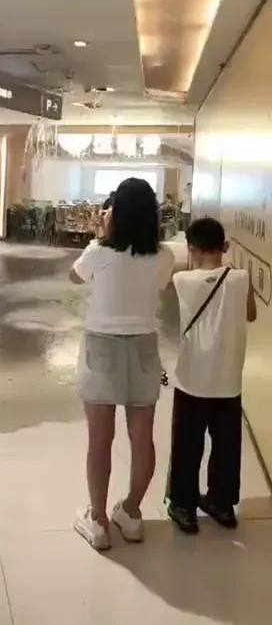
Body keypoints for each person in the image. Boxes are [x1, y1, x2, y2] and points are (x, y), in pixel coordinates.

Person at [70, 178, 175, 550]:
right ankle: (130, 513)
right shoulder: (164, 255)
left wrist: (102, 234)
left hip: (103, 346)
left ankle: (98, 520)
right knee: (142, 438)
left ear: (115, 211)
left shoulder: (99, 250)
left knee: (100, 439)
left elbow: (74, 276)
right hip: (144, 346)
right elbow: (159, 287)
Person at [167, 217, 256, 534]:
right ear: (225, 247)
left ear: (191, 249)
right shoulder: (241, 278)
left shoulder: (182, 280)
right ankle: (222, 503)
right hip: (229, 380)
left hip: (192, 378)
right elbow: (251, 314)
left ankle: (184, 507)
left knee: (187, 445)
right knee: (227, 445)